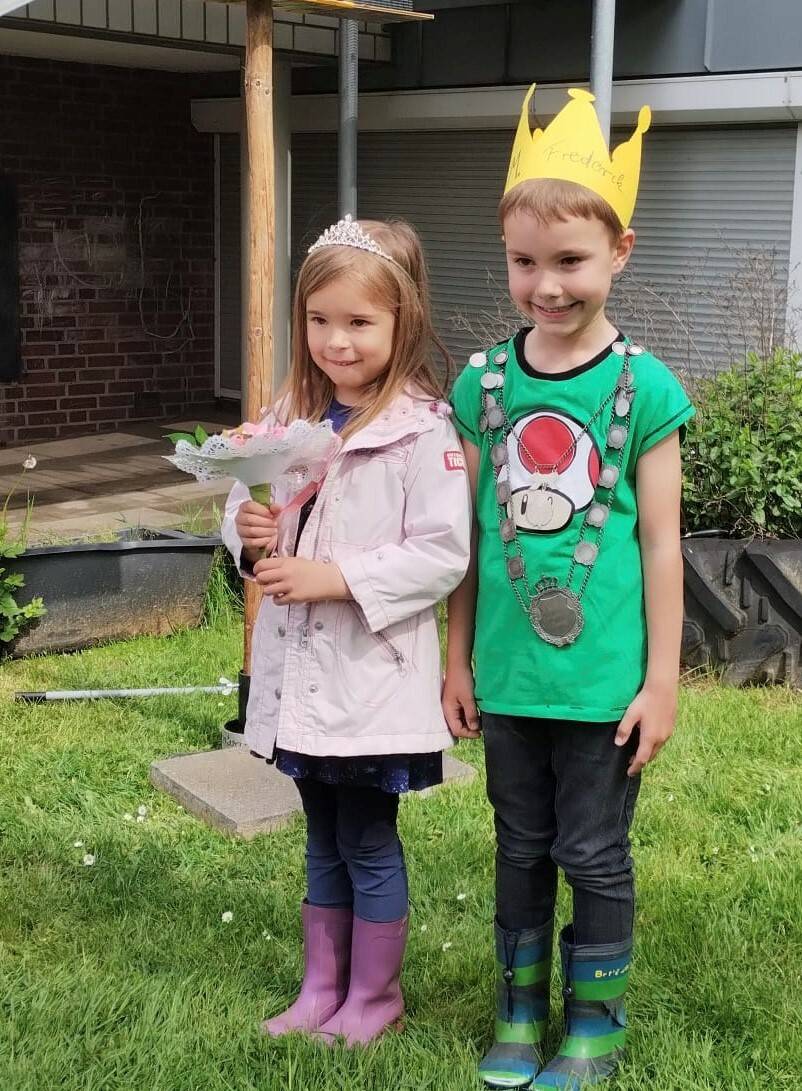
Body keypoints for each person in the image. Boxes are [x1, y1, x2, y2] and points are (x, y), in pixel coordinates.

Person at [443, 87, 695, 1090]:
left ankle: (592, 1022)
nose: (544, 285)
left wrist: (663, 680)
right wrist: (454, 658)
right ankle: (518, 1012)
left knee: (591, 851)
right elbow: (464, 536)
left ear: (619, 250)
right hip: (507, 681)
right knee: (518, 847)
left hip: (601, 689)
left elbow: (668, 549)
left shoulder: (648, 389)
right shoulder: (482, 387)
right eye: (523, 261)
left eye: (569, 261)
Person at [221, 215, 471, 1046]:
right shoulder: (290, 414)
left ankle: (375, 998)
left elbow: (441, 552)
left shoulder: (420, 428)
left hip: (371, 681)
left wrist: (334, 579)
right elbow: (245, 504)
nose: (336, 339)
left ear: (402, 321)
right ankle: (320, 986)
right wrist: (249, 533)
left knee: (365, 833)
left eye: (359, 322)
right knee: (321, 832)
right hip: (301, 680)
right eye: (320, 319)